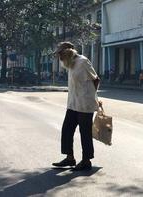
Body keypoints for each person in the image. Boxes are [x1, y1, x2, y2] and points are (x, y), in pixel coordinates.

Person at [52, 42, 100, 171]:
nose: (59, 58)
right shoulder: (70, 64)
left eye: (60, 54)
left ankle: (86, 160)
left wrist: (93, 97)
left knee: (85, 133)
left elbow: (96, 79)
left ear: (68, 52)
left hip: (85, 105)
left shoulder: (83, 61)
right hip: (73, 104)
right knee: (66, 130)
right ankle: (70, 158)